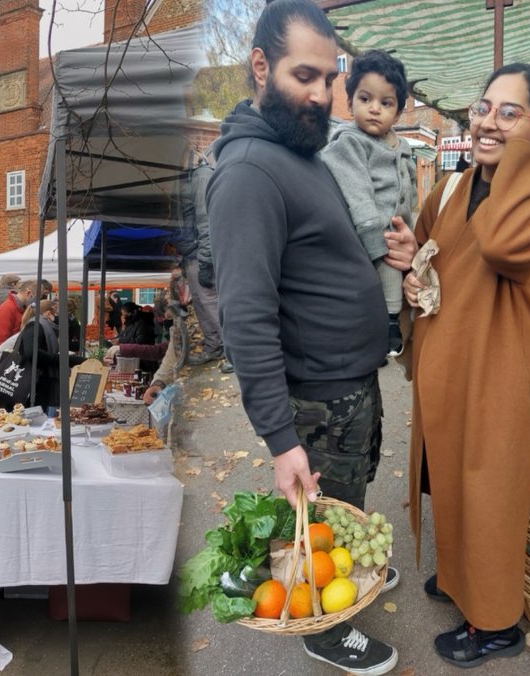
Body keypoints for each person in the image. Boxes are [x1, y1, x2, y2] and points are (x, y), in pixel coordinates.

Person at [206, 2, 416, 674]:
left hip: (351, 381)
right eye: (306, 76)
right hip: (316, 399)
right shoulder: (247, 172)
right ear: (260, 66)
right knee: (322, 513)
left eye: (330, 79)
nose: (323, 96)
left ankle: (348, 573)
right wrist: (280, 438)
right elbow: (245, 313)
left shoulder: (297, 150)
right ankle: (327, 629)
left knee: (349, 500)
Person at [403, 63, 530, 667]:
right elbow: (429, 239)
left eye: (510, 112)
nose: (487, 122)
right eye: (483, 107)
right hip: (446, 369)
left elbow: (501, 244)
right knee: (449, 482)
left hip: (496, 375)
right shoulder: (455, 185)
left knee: (489, 494)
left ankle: (497, 623)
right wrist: (410, 252)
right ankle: (459, 580)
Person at [321, 49, 416, 357]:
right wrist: (378, 242)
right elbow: (358, 193)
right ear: (349, 103)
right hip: (369, 232)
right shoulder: (349, 143)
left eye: (385, 103)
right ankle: (387, 325)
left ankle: (391, 321)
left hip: (397, 232)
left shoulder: (402, 146)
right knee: (383, 282)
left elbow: (410, 189)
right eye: (365, 99)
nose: (374, 109)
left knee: (401, 280)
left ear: (398, 113)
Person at [182, 152, 232, 372]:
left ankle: (233, 352)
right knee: (203, 304)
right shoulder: (186, 177)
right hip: (191, 253)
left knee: (211, 301)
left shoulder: (201, 177)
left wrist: (205, 261)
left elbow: (206, 223)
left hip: (201, 253)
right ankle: (214, 346)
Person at [15, 299, 85, 414]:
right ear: (48, 314)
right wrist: (64, 360)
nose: (57, 318)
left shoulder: (39, 325)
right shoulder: (36, 326)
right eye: (56, 314)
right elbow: (31, 352)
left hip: (39, 381)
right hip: (35, 383)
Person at [0, 279, 36, 349]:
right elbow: (0, 340)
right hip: (10, 354)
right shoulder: (7, 308)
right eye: (36, 297)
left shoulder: (23, 307)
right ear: (28, 293)